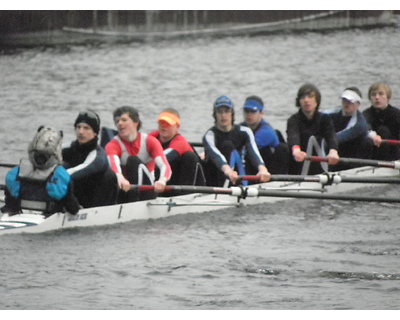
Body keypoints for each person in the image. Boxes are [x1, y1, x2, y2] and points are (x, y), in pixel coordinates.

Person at [1, 126, 80, 217]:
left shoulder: (15, 173)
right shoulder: (61, 176)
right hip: (48, 220)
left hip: (17, 217)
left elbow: (9, 203)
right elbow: (73, 209)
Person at [105, 106, 171, 203]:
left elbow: (165, 166)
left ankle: (134, 203)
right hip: (124, 188)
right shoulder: (112, 145)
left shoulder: (149, 141)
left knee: (133, 160)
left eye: (124, 120)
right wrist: (121, 178)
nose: (120, 123)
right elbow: (114, 167)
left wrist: (162, 181)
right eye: (117, 121)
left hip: (147, 190)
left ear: (136, 123)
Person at [202, 95, 271, 187]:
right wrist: (228, 171)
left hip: (238, 175)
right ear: (215, 115)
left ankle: (242, 185)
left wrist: (262, 169)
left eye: (227, 111)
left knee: (231, 148)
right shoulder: (210, 135)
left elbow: (253, 152)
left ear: (232, 113)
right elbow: (216, 156)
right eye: (219, 112)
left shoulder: (244, 132)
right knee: (227, 145)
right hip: (216, 178)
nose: (223, 115)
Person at [62, 110, 118, 208]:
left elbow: (86, 168)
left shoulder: (98, 155)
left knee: (110, 175)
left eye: (86, 128)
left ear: (95, 132)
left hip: (94, 202)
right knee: (61, 165)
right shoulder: (68, 147)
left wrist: (59, 176)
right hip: (74, 199)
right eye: (78, 127)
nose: (81, 132)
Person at [286, 83, 339, 175]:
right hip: (299, 160)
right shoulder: (293, 120)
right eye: (303, 97)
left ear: (317, 100)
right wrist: (296, 151)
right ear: (299, 101)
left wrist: (333, 151)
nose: (306, 100)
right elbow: (293, 136)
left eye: (310, 97)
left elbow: (331, 136)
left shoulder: (325, 119)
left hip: (320, 161)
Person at [148, 108, 206, 186]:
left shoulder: (180, 142)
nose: (164, 126)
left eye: (168, 124)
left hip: (185, 184)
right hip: (164, 182)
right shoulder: (152, 136)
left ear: (177, 126)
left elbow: (164, 158)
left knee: (189, 156)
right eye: (162, 122)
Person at [324, 87, 373, 171]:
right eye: (344, 100)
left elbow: (338, 138)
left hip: (353, 161)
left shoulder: (359, 124)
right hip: (337, 154)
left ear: (358, 104)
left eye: (351, 102)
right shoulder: (333, 112)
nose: (347, 103)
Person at [241, 95, 289, 175]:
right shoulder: (240, 128)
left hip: (271, 170)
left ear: (261, 114)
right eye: (246, 111)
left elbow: (249, 149)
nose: (249, 115)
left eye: (253, 111)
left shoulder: (267, 132)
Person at [362, 82, 400, 161]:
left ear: (388, 98)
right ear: (370, 98)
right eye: (373, 94)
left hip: (393, 154)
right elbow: (365, 126)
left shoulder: (396, 114)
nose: (377, 97)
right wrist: (372, 135)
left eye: (381, 94)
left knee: (383, 130)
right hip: (373, 153)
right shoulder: (366, 114)